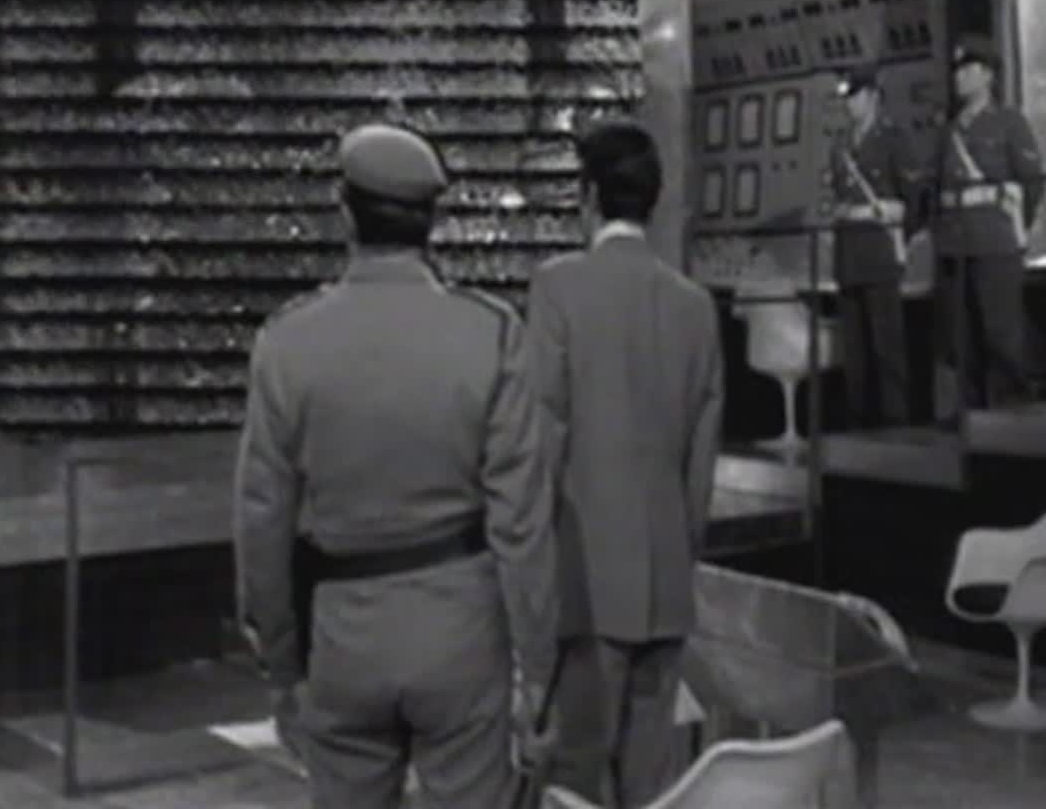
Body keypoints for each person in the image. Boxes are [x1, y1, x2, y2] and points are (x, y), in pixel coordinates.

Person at [234, 123, 558, 809]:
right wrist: (537, 671)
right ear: (431, 222)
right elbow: (522, 526)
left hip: (342, 639)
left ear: (344, 212)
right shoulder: (490, 332)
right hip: (462, 634)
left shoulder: (287, 343)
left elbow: (262, 523)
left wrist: (282, 670)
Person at [527, 120, 724, 807]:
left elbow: (541, 442)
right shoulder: (696, 307)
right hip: (667, 585)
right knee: (651, 787)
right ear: (654, 200)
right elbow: (701, 466)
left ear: (587, 196)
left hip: (585, 587)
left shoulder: (557, 288)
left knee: (578, 786)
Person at [932, 34, 1045, 413]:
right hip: (956, 244)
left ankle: (1013, 411)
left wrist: (1013, 229)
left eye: (968, 69)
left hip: (995, 243)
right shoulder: (950, 131)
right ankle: (971, 413)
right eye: (957, 70)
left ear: (988, 75)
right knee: (961, 338)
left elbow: (1031, 183)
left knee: (1001, 333)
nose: (959, 76)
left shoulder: (1009, 123)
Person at [828, 63, 920, 429]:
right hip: (849, 254)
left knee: (887, 347)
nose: (848, 104)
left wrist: (892, 211)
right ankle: (859, 421)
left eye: (854, 96)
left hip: (880, 254)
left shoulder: (893, 139)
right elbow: (837, 197)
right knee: (855, 351)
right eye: (845, 97)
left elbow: (912, 199)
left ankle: (895, 423)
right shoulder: (841, 145)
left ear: (871, 96)